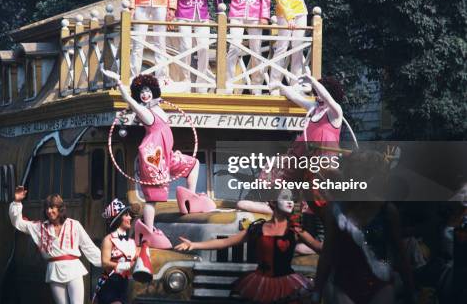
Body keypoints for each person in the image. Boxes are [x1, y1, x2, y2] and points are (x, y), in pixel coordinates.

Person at [102, 69, 215, 249]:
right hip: (153, 159)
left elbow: (167, 91)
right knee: (152, 199)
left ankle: (189, 198)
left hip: (166, 155)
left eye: (148, 91)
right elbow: (130, 101)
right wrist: (120, 84)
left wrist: (164, 82)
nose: (145, 95)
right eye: (141, 92)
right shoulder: (145, 113)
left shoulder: (157, 107)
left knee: (193, 164)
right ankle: (147, 229)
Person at [175, 189, 320, 303]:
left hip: (287, 283)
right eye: (285, 198)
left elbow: (318, 247)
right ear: (273, 202)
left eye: (292, 199)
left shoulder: (295, 229)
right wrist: (194, 244)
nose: (290, 202)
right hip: (260, 284)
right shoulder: (256, 229)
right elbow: (225, 242)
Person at [237, 74, 344, 215]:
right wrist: (282, 87)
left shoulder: (335, 112)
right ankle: (272, 202)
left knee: (315, 188)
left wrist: (313, 81)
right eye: (315, 94)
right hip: (304, 155)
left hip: (322, 160)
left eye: (318, 94)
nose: (317, 97)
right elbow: (295, 97)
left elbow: (328, 98)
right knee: (277, 164)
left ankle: (308, 209)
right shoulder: (314, 109)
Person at [9, 186, 101, 304]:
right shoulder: (40, 227)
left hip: (73, 268)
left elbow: (88, 247)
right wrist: (17, 202)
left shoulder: (74, 225)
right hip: (54, 270)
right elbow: (18, 223)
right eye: (47, 208)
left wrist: (107, 262)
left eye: (52, 207)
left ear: (60, 209)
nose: (49, 211)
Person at [313, 199, 416, 304]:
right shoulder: (335, 210)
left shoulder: (387, 211)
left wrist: (411, 292)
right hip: (345, 285)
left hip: (380, 285)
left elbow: (400, 254)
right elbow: (327, 254)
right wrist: (316, 294)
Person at [95, 199, 140, 304]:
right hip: (110, 283)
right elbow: (105, 263)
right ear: (118, 219)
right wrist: (125, 265)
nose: (130, 218)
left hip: (125, 284)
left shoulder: (131, 241)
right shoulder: (108, 239)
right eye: (126, 215)